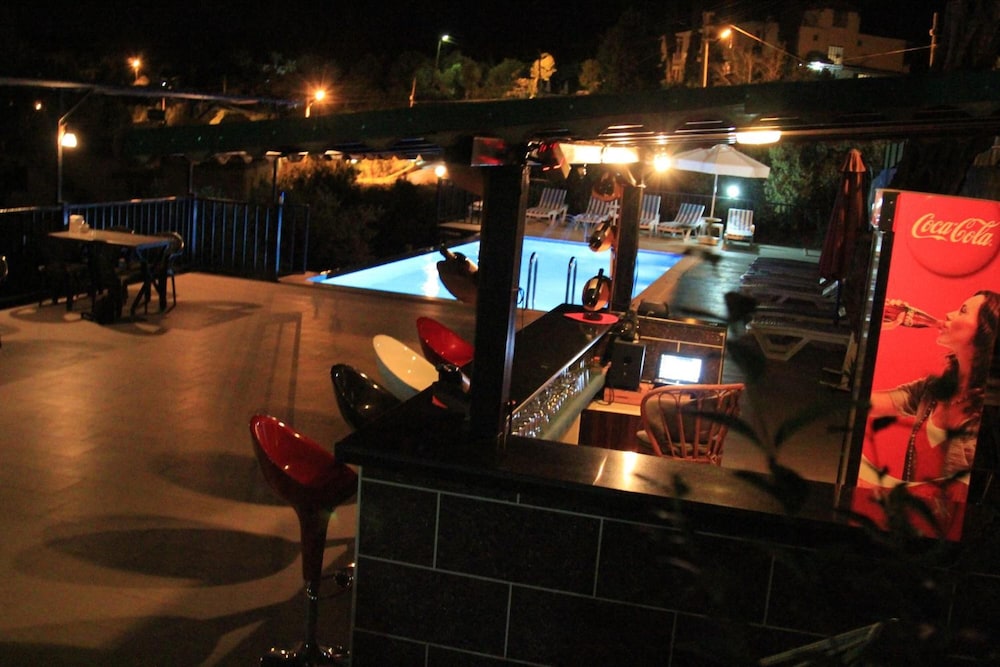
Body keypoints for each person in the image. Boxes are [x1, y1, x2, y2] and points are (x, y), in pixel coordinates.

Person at [867, 291, 1000, 488]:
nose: (948, 314)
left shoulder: (988, 414)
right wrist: (876, 329)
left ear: (986, 334)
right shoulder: (933, 390)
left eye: (963, 311)